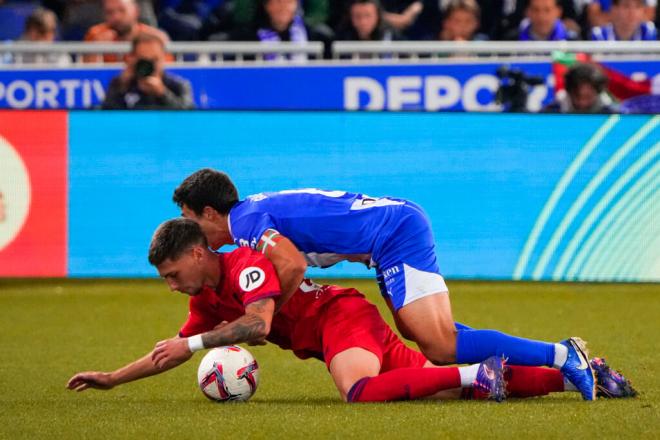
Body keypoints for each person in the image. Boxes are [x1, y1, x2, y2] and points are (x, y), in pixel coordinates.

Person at [66, 219, 637, 401]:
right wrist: (114, 379)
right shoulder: (206, 299)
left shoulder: (241, 261)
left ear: (196, 254)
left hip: (343, 319)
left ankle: (477, 372)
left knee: (360, 394)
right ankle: (579, 372)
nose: (171, 287)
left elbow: (259, 327)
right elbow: (169, 351)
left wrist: (195, 344)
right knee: (437, 389)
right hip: (340, 330)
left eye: (172, 275)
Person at [173, 169, 600, 400]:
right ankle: (558, 366)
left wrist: (266, 313)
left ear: (210, 212)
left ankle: (563, 355)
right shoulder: (252, 212)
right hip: (388, 235)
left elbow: (291, 266)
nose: (191, 232)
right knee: (426, 334)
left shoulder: (243, 223)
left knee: (438, 344)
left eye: (191, 220)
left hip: (392, 233)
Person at [102, 33, 194, 109]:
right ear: (132, 58)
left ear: (163, 59)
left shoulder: (178, 86)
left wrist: (163, 94)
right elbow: (106, 118)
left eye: (154, 60)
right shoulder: (119, 84)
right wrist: (122, 88)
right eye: (144, 60)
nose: (149, 65)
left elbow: (189, 117)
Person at [84, 0, 169, 63]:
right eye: (109, 12)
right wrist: (96, 49)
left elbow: (168, 71)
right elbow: (87, 74)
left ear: (136, 11)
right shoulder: (96, 34)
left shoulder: (155, 37)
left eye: (122, 10)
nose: (116, 17)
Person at [543, 63, 618, 114]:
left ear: (597, 93)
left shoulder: (611, 114)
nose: (582, 103)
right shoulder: (552, 111)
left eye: (588, 97)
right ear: (569, 93)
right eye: (577, 96)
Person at [590, 0, 657, 40]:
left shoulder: (648, 31)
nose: (632, 12)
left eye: (637, 6)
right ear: (614, 9)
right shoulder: (599, 34)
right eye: (626, 6)